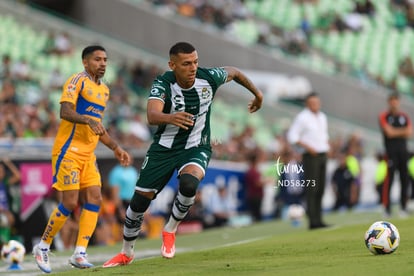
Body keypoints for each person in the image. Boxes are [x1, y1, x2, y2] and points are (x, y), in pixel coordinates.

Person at [103, 41, 263, 267]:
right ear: (173, 65)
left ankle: (170, 230)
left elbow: (235, 72)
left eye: (195, 62)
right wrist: (170, 117)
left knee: (189, 184)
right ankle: (126, 252)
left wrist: (257, 94)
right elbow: (151, 114)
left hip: (197, 146)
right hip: (163, 150)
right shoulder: (163, 83)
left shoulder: (209, 78)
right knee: (139, 203)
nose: (193, 67)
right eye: (187, 64)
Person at [32, 45, 131, 274]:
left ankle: (80, 252)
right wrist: (86, 119)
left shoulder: (104, 91)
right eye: (97, 59)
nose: (103, 63)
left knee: (95, 198)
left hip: (88, 154)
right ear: (86, 62)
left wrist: (116, 147)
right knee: (69, 202)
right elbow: (65, 111)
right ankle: (43, 246)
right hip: (68, 151)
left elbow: (98, 125)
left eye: (105, 59)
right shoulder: (77, 81)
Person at [286, 92, 330, 229]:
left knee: (321, 188)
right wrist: (307, 147)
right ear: (307, 104)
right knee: (312, 188)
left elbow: (323, 135)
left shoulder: (322, 116)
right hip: (311, 156)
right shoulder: (302, 117)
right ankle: (312, 220)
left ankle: (319, 218)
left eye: (316, 103)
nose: (315, 105)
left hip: (322, 154)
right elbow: (292, 136)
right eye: (312, 103)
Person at [378, 92, 412, 217]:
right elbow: (389, 133)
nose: (394, 103)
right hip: (391, 153)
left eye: (396, 100)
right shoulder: (384, 116)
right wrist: (401, 131)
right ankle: (386, 208)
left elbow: (409, 132)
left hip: (403, 152)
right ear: (389, 102)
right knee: (389, 180)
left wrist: (395, 131)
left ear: (398, 102)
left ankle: (403, 206)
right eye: (391, 100)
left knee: (405, 179)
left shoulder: (404, 116)